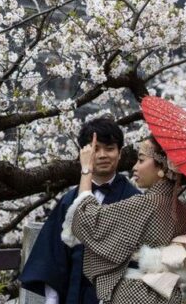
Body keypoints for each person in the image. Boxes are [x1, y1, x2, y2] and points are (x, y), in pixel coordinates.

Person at [20, 117, 140, 304]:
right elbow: (53, 256)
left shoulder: (134, 200)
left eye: (109, 149)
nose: (102, 155)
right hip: (73, 295)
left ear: (120, 154)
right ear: (84, 153)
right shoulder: (69, 201)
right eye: (95, 149)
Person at [62, 135, 186, 303]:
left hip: (135, 294)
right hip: (168, 295)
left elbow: (87, 219)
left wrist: (87, 170)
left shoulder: (145, 204)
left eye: (141, 160)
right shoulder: (182, 211)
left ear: (162, 167)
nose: (134, 167)